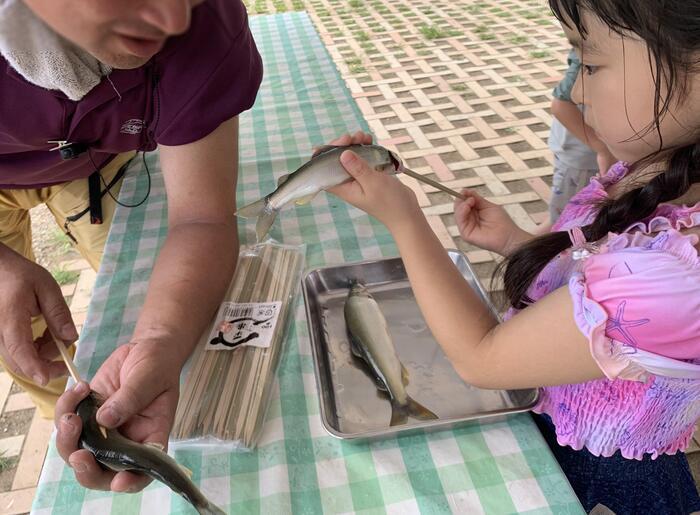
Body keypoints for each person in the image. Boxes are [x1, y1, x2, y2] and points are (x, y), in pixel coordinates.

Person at [327, 0, 700, 512]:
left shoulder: (673, 279)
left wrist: (404, 220)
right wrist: (516, 242)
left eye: (590, 63)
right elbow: (589, 271)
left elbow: (483, 357)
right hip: (549, 417)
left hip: (606, 475)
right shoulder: (649, 174)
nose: (576, 90)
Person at [0, 0, 262, 493]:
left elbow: (202, 217)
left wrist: (160, 340)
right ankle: (61, 416)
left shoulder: (206, 26)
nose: (172, 21)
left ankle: (96, 408)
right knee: (22, 335)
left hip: (92, 163)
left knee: (134, 312)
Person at [549, 48, 616, 223]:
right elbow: (561, 106)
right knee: (566, 223)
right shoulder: (593, 43)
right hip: (583, 159)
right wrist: (603, 150)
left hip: (595, 153)